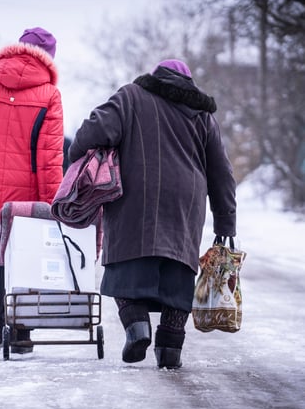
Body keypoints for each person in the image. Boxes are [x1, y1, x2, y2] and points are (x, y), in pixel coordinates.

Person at [68, 59, 237, 368]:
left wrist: (77, 155)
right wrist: (226, 219)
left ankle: (137, 328)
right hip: (185, 204)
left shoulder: (131, 97)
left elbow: (94, 130)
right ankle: (170, 347)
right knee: (177, 275)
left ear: (156, 76)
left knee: (126, 270)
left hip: (136, 199)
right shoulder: (203, 116)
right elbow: (221, 172)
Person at [0, 27, 64, 352]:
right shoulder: (49, 94)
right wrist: (51, 204)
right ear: (49, 58)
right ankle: (19, 334)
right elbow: (50, 159)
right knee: (25, 260)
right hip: (27, 196)